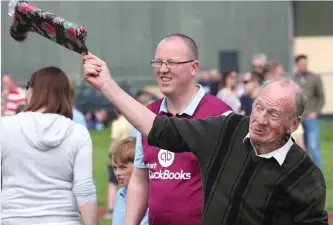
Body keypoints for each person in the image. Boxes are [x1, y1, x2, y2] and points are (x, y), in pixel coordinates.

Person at [82, 55, 328, 225]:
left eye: (273, 114)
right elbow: (158, 127)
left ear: (294, 124)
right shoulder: (226, 130)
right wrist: (107, 85)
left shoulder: (305, 177)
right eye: (259, 107)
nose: (260, 119)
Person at [85, 34, 231, 225]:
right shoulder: (148, 115)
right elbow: (140, 179)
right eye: (158, 62)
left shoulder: (220, 115)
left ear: (194, 67)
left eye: (171, 63)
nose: (163, 69)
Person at [1, 66, 98, 225]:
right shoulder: (77, 133)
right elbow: (84, 188)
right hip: (62, 219)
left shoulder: (5, 127)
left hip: (13, 218)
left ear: (32, 90)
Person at [294, 54, 325, 169]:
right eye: (301, 63)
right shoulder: (293, 79)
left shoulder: (315, 77)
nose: (304, 66)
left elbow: (321, 97)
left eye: (305, 63)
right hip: (298, 118)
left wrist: (316, 112)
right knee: (302, 148)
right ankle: (306, 175)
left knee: (314, 146)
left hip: (311, 117)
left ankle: (318, 174)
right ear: (297, 64)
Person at [109, 137, 149, 225]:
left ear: (139, 165)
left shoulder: (150, 197)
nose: (117, 173)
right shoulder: (120, 194)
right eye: (115, 168)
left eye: (123, 167)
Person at [104, 108, 131, 219]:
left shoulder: (117, 123)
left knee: (112, 183)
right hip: (130, 155)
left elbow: (114, 142)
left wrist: (111, 160)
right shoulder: (131, 121)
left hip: (119, 157)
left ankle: (111, 209)